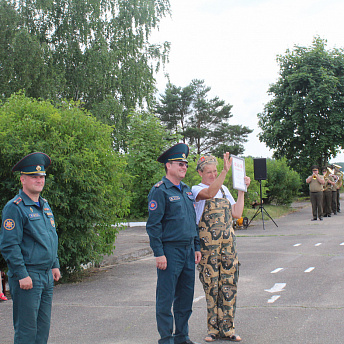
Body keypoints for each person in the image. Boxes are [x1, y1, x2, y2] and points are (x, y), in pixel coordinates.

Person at [0, 152, 60, 344]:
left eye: (41, 176)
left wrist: (54, 264)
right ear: (22, 179)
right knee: (26, 332)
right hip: (28, 276)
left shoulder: (44, 205)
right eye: (34, 176)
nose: (39, 180)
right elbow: (9, 245)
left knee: (42, 330)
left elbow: (51, 237)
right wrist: (21, 274)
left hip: (45, 275)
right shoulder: (15, 207)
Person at [191, 153, 250, 343]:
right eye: (209, 172)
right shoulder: (196, 190)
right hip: (209, 250)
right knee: (211, 287)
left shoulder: (224, 189)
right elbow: (209, 193)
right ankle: (212, 329)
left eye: (215, 171)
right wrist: (225, 171)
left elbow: (237, 213)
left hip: (228, 248)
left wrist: (242, 190)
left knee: (229, 285)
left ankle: (228, 328)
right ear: (200, 173)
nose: (213, 174)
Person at [146, 143, 201, 344]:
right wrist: (158, 253)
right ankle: (166, 339)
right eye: (180, 163)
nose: (184, 167)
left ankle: (182, 337)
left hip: (187, 251)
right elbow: (153, 225)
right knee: (166, 298)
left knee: (185, 298)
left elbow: (192, 221)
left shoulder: (186, 191)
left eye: (185, 164)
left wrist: (196, 246)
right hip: (170, 252)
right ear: (168, 166)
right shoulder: (160, 191)